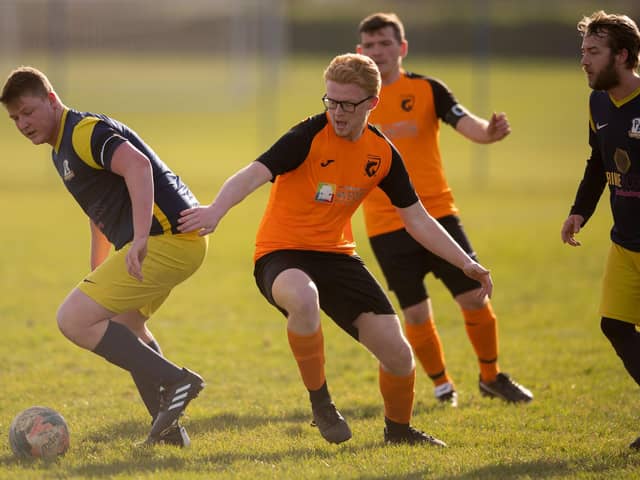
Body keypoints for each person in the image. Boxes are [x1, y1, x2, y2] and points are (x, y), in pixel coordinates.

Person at [178, 53, 492, 446]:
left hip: (338, 256)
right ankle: (321, 403)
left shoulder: (381, 153)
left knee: (398, 355)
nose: (337, 112)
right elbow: (253, 173)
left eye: (347, 104)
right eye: (330, 100)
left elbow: (418, 219)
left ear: (372, 103)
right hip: (282, 253)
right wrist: (216, 210)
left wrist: (467, 263)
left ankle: (399, 431)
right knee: (304, 299)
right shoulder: (307, 136)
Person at [1, 66, 208, 447]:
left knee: (73, 319)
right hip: (171, 243)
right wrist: (101, 264)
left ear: (51, 100)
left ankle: (177, 380)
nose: (22, 123)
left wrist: (143, 236)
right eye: (14, 118)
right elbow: (99, 211)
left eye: (28, 112)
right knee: (126, 323)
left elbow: (138, 166)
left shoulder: (83, 132)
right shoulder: (60, 149)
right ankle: (168, 434)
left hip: (168, 240)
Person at [356, 12, 532, 407]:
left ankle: (491, 376)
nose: (378, 51)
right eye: (369, 46)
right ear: (359, 52)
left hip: (438, 216)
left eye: (385, 43)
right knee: (416, 314)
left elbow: (465, 122)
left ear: (401, 48)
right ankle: (442, 385)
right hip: (386, 225)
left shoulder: (427, 90)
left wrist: (489, 133)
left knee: (474, 298)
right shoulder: (355, 100)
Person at [561, 10, 640, 450]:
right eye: (583, 52)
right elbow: (598, 162)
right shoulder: (598, 103)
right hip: (625, 244)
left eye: (594, 51)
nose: (584, 61)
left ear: (623, 55)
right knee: (615, 326)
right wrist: (580, 211)